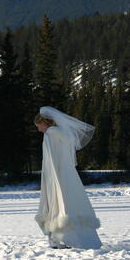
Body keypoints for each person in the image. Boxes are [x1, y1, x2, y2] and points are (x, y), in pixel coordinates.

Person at [34, 106, 102, 249]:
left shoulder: (50, 134)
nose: (38, 129)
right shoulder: (64, 134)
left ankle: (62, 239)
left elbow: (51, 159)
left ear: (44, 123)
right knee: (72, 201)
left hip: (56, 174)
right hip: (68, 174)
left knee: (58, 203)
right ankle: (82, 239)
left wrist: (50, 179)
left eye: (38, 126)